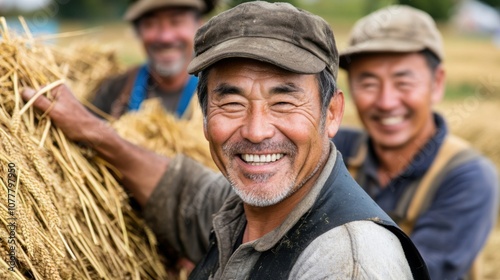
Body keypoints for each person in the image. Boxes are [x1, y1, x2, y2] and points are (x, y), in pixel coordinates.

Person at [23, 2, 430, 279]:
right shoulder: (246, 211)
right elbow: (182, 191)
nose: (256, 130)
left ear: (333, 113)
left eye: (284, 101)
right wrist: (93, 131)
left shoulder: (346, 262)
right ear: (205, 114)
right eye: (231, 102)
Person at [333, 5, 499, 280]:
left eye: (403, 82)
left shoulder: (467, 176)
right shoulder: (336, 150)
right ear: (349, 89)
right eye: (368, 83)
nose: (386, 102)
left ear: (437, 83)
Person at [92, 0, 216, 119]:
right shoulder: (114, 91)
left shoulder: (220, 91)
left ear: (200, 25)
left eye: (176, 22)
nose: (165, 37)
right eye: (151, 24)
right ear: (138, 32)